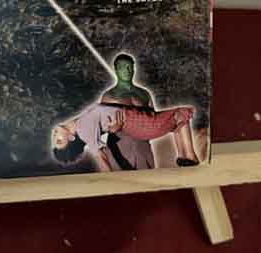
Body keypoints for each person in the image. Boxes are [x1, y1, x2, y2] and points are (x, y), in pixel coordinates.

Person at [51, 103, 200, 171]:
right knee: (180, 114)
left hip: (135, 120)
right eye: (59, 140)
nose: (55, 134)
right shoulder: (83, 129)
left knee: (175, 121)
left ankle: (184, 157)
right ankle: (190, 157)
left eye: (54, 137)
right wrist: (113, 183)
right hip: (138, 123)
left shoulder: (80, 123)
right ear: (71, 138)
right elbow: (101, 157)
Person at [100, 53, 155, 170]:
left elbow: (154, 120)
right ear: (116, 70)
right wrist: (112, 129)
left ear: (134, 69)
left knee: (147, 180)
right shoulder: (108, 96)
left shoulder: (145, 94)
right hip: (119, 147)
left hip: (143, 147)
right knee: (121, 181)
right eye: (122, 67)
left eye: (130, 67)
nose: (127, 70)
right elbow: (101, 126)